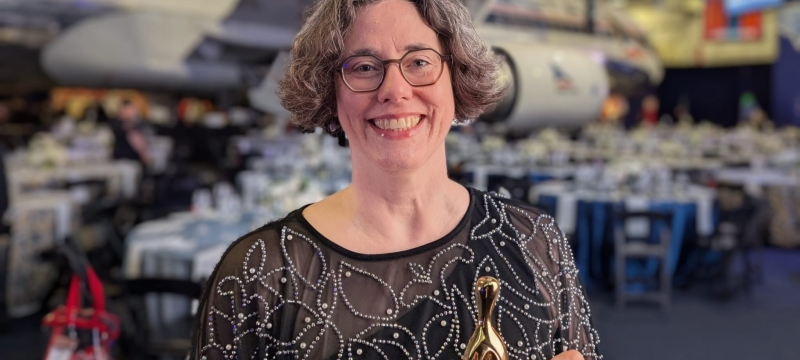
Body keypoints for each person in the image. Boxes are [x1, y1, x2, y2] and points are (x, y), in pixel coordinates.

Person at [191, 1, 600, 359]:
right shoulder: (260, 274)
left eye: (419, 61)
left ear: (456, 79)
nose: (395, 90)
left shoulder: (537, 241)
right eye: (365, 67)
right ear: (330, 92)